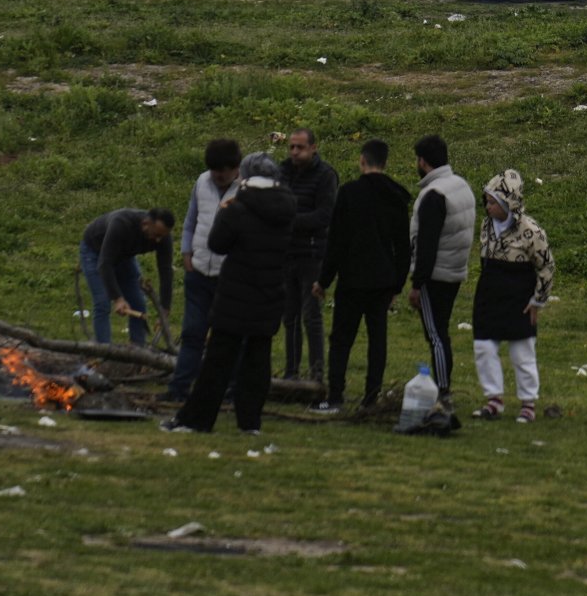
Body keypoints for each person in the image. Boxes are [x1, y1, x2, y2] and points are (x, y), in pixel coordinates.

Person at [164, 153, 296, 434]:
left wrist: (223, 213)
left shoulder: (237, 208)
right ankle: (250, 422)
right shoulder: (286, 208)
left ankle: (197, 419)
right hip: (270, 292)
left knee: (218, 360)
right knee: (258, 359)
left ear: (245, 175)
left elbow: (217, 244)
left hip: (236, 293)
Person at [310, 139, 410, 414]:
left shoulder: (349, 193)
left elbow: (337, 241)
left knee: (341, 339)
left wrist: (324, 280)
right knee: (377, 339)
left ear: (362, 160)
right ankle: (371, 396)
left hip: (352, 278)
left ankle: (336, 396)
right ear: (385, 162)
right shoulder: (397, 195)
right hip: (383, 280)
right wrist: (398, 284)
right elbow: (403, 247)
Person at [469, 171, 556, 426]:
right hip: (489, 295)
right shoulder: (486, 225)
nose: (488, 207)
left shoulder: (531, 231)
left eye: (493, 202)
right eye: (486, 201)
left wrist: (538, 300)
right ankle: (494, 400)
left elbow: (547, 266)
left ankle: (528, 404)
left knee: (522, 353)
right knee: (483, 347)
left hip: (519, 299)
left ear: (509, 203)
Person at [165, 139, 242, 402]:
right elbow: (190, 221)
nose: (217, 176)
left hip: (229, 276)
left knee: (229, 336)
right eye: (214, 171)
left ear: (236, 168)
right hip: (198, 272)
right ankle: (179, 388)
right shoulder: (201, 182)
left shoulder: (246, 189)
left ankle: (230, 390)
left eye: (223, 172)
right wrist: (186, 254)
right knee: (192, 333)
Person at [408, 134, 474, 427]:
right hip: (455, 270)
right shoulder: (461, 185)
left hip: (435, 275)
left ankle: (443, 391)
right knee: (442, 331)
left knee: (435, 335)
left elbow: (427, 244)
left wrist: (417, 283)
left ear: (423, 162)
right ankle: (443, 386)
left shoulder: (433, 195)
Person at [279, 128, 338, 384]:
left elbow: (325, 215)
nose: (295, 152)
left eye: (300, 147)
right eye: (292, 147)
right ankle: (291, 371)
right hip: (287, 253)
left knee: (311, 315)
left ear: (313, 148)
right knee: (289, 316)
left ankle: (316, 373)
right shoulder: (283, 171)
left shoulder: (325, 176)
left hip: (312, 254)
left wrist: (289, 220)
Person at [79, 207, 175, 347]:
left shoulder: (163, 238)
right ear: (145, 224)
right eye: (156, 235)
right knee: (102, 303)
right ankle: (104, 350)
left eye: (162, 236)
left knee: (138, 302)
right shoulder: (121, 224)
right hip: (94, 253)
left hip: (124, 256)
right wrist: (118, 298)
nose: (158, 240)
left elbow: (165, 271)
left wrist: (164, 308)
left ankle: (138, 350)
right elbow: (105, 264)